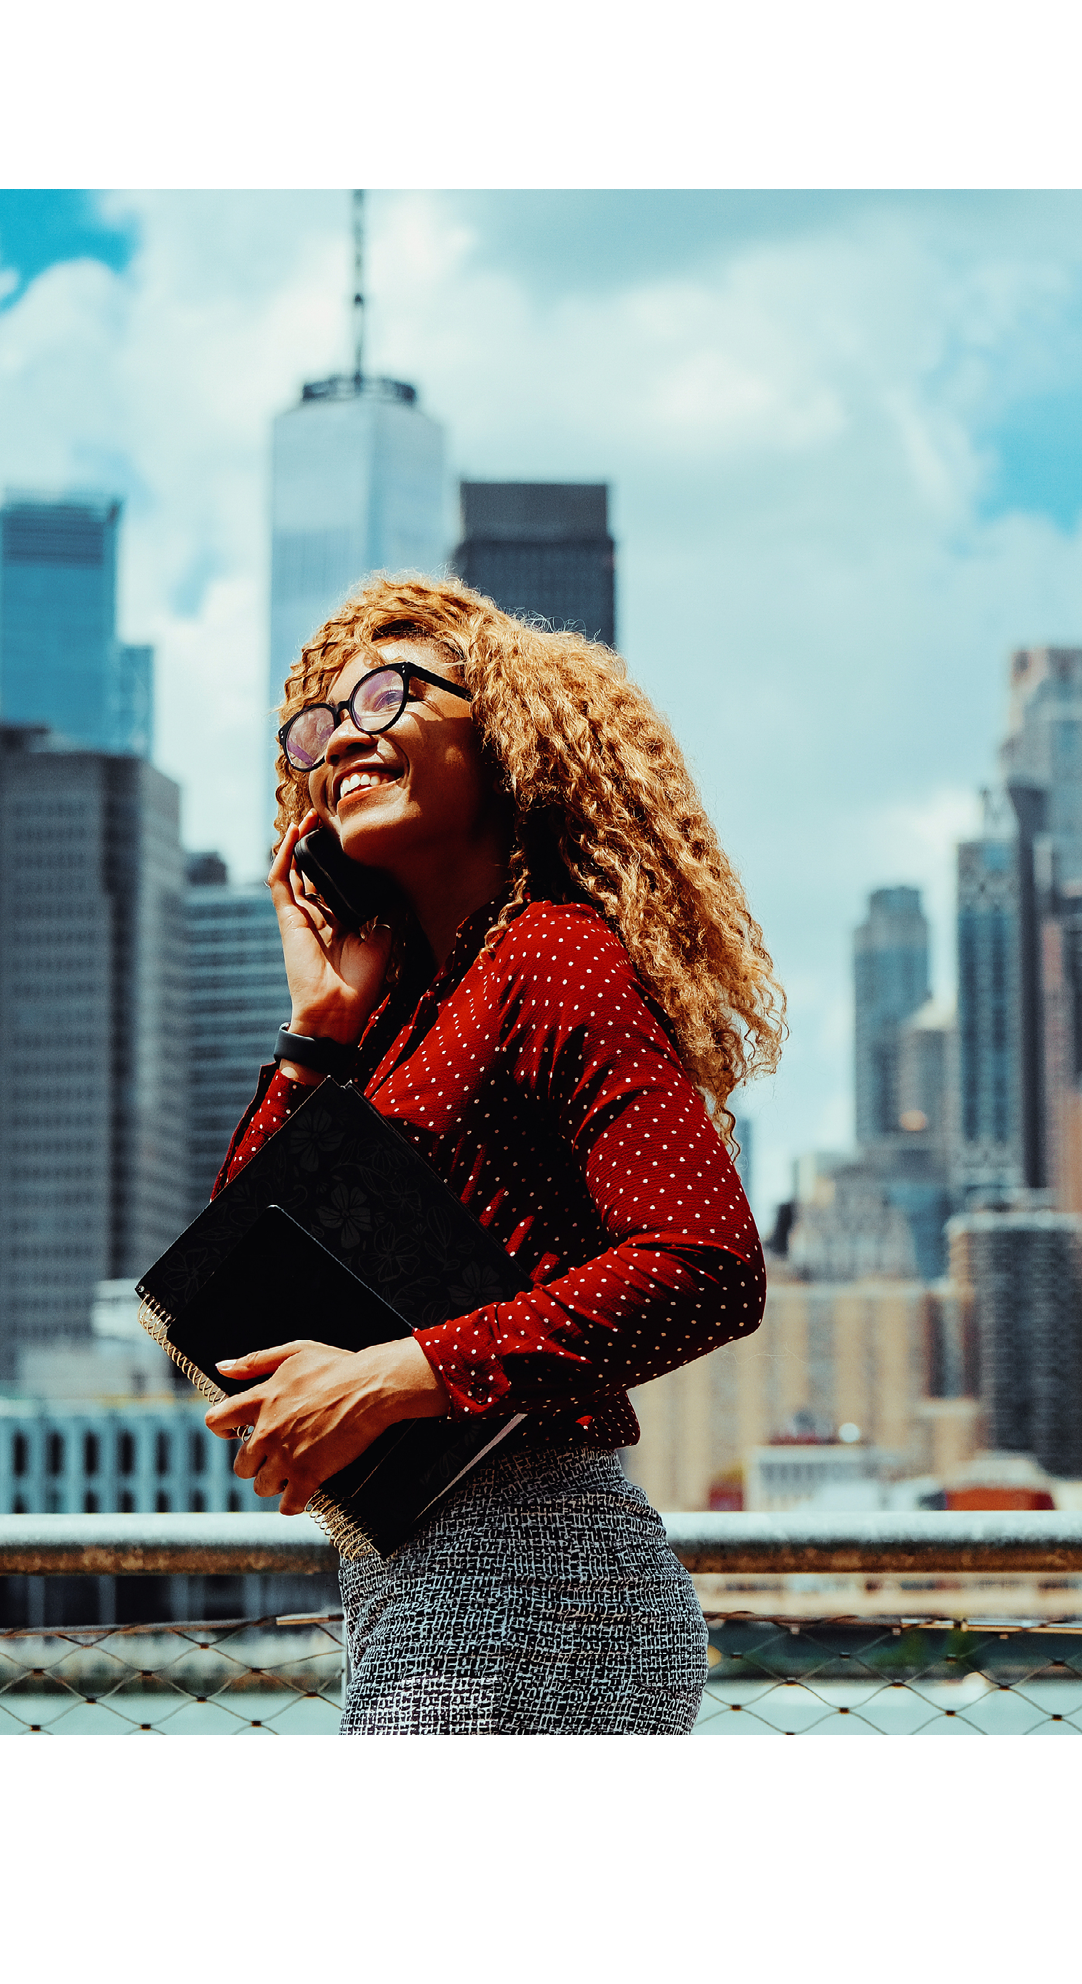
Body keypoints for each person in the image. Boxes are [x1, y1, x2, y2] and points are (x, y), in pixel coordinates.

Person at [201, 572, 781, 1734]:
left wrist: (389, 1375)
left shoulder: (553, 957)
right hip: (418, 1574)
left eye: (384, 693)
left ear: (501, 723)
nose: (341, 739)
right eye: (315, 726)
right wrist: (315, 1030)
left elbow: (709, 1264)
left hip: (529, 1569)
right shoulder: (403, 1014)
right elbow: (230, 1288)